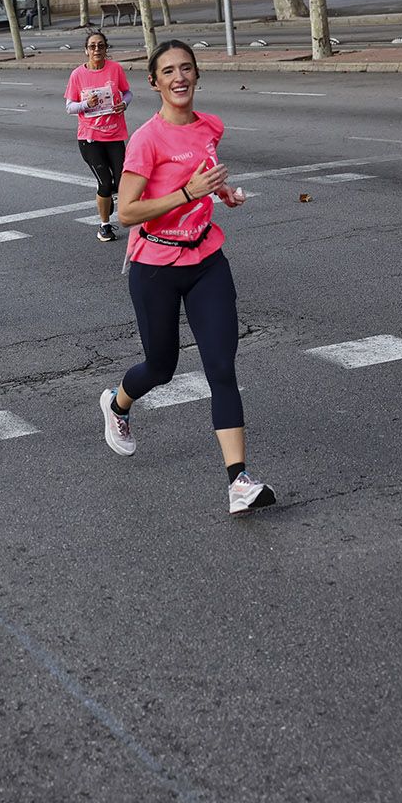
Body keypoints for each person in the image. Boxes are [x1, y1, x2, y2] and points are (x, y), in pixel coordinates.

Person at [101, 39, 274, 516]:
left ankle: (238, 481)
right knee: (161, 367)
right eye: (169, 71)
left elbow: (203, 183)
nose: (180, 77)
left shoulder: (210, 127)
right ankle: (117, 406)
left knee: (222, 367)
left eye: (187, 69)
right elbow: (128, 210)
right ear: (154, 82)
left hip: (206, 261)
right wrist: (186, 193)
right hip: (155, 267)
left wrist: (222, 195)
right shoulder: (146, 139)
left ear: (197, 76)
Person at [64, 31, 133, 244]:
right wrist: (86, 105)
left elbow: (128, 93)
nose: (97, 50)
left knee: (122, 183)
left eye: (101, 46)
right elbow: (69, 107)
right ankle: (104, 225)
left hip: (114, 134)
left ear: (106, 49)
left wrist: (125, 103)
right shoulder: (77, 74)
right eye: (92, 46)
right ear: (86, 50)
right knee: (105, 183)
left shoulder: (115, 69)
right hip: (90, 138)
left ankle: (110, 191)